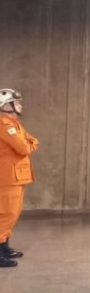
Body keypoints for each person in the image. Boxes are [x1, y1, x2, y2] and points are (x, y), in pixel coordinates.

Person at [0, 89, 39, 268]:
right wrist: (29, 144)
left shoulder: (14, 123)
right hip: (6, 178)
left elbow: (32, 141)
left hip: (16, 177)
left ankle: (4, 247)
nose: (20, 105)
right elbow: (24, 147)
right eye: (17, 103)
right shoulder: (4, 124)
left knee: (12, 214)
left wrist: (29, 144)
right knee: (5, 215)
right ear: (6, 106)